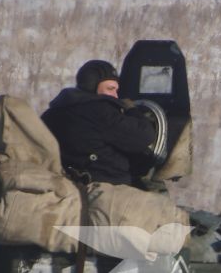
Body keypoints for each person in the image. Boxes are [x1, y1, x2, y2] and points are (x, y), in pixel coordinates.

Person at [41, 59, 165, 188]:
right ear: (92, 86)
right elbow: (144, 135)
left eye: (116, 90)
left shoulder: (53, 112)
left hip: (68, 184)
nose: (115, 96)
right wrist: (132, 110)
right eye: (110, 89)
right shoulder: (99, 111)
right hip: (107, 187)